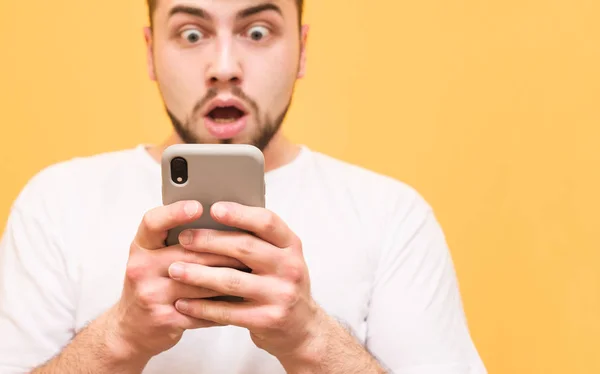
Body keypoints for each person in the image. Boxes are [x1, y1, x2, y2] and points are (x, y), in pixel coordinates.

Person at [0, 0, 487, 373]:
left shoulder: (393, 215)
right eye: (191, 34)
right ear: (151, 54)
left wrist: (310, 337)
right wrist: (119, 338)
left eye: (258, 31)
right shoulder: (56, 203)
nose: (225, 66)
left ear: (301, 50)